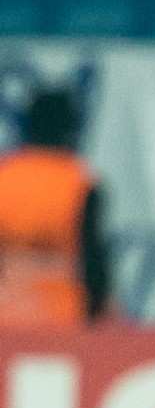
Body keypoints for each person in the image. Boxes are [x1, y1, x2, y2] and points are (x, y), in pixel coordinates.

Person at [0, 86, 111, 325]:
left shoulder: (4, 177)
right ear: (71, 129)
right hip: (64, 319)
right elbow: (94, 262)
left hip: (6, 319)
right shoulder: (81, 184)